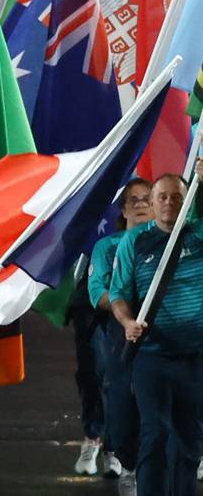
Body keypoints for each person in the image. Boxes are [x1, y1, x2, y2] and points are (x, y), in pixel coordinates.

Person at [110, 171, 203, 496]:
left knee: (190, 441)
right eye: (161, 197)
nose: (168, 203)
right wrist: (126, 322)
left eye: (176, 197)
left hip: (194, 358)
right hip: (151, 356)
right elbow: (118, 293)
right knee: (155, 434)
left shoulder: (199, 235)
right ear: (151, 204)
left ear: (186, 201)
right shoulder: (134, 243)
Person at [86, 178, 153, 494]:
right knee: (124, 401)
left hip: (164, 330)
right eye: (134, 200)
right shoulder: (107, 246)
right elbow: (96, 292)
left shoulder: (170, 244)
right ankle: (128, 466)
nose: (141, 204)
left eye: (146, 199)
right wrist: (124, 301)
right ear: (123, 209)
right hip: (120, 334)